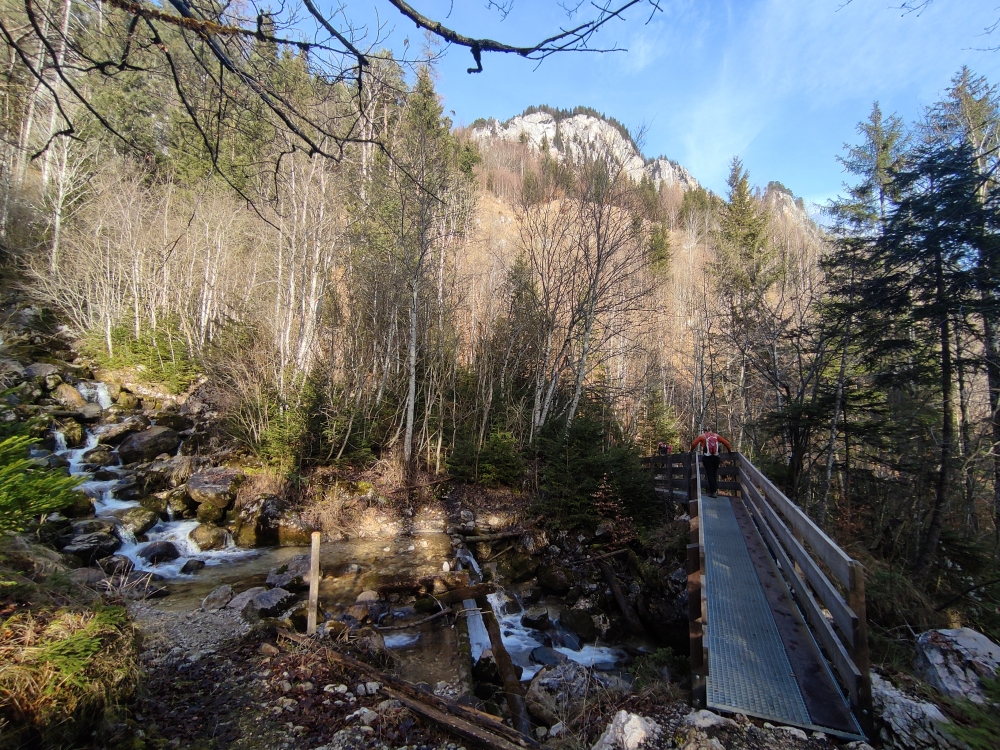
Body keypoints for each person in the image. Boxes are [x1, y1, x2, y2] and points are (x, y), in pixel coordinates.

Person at [690, 427, 732, 498]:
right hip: (716, 458)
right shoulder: (716, 436)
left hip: (707, 458)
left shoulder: (702, 436)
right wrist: (729, 452)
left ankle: (713, 492)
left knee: (710, 474)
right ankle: (714, 491)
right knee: (714, 473)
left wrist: (691, 451)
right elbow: (727, 444)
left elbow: (694, 444)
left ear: (704, 431)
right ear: (711, 430)